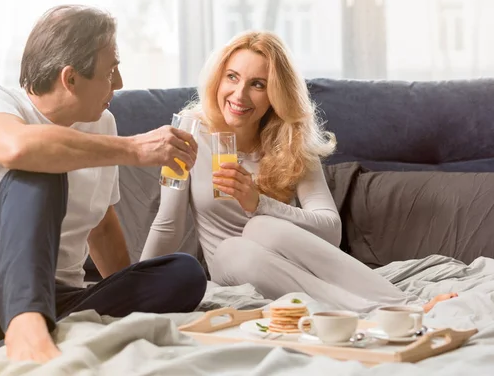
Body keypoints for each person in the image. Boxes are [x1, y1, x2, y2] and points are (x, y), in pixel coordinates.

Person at [0, 5, 207, 363]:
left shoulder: (103, 123)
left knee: (183, 274)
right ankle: (24, 326)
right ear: (70, 79)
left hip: (56, 298)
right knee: (40, 164)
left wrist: (128, 289)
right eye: (111, 70)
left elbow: (101, 227)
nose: (119, 83)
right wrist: (136, 148)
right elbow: (18, 147)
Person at [141, 30, 456, 314]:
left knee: (262, 227)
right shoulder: (188, 132)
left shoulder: (291, 143)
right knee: (235, 246)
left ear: (275, 95)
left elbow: (331, 231)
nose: (239, 96)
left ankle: (406, 305)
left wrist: (258, 203)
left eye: (257, 85)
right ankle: (374, 311)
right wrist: (136, 289)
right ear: (218, 80)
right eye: (232, 77)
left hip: (293, 258)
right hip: (231, 264)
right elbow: (168, 223)